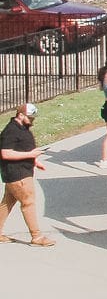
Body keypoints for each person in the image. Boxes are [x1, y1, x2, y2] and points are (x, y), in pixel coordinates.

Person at [1, 102, 54, 246]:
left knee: (7, 203)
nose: (32, 121)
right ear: (20, 115)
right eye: (30, 118)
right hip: (18, 174)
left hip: (20, 172)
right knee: (28, 202)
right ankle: (36, 237)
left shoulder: (22, 128)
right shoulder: (11, 131)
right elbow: (5, 153)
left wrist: (34, 160)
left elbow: (22, 148)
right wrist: (30, 154)